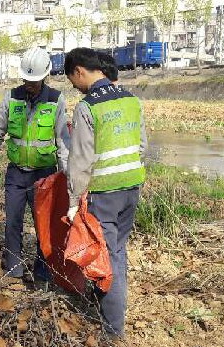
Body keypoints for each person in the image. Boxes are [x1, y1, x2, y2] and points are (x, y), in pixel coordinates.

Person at [63, 47, 147, 339]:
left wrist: (73, 201)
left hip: (104, 194)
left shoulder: (87, 107)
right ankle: (108, 308)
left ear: (79, 71)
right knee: (118, 251)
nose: (75, 88)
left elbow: (80, 161)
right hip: (131, 188)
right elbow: (142, 147)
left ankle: (113, 331)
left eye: (74, 82)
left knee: (107, 258)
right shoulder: (131, 100)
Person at [0, 47, 70, 284]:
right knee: (12, 222)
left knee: (43, 225)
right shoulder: (11, 97)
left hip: (44, 175)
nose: (29, 84)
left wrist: (67, 173)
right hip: (16, 173)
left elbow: (62, 142)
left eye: (34, 81)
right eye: (26, 79)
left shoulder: (56, 100)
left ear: (45, 76)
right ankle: (14, 269)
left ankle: (43, 271)